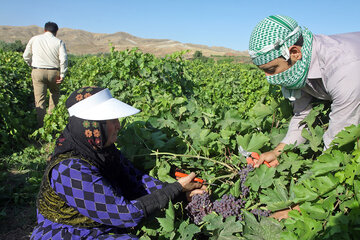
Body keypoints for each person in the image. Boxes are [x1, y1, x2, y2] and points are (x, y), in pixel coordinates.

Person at [30, 86, 205, 240]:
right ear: (93, 127)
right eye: (112, 120)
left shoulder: (105, 151)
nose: (119, 126)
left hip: (100, 226)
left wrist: (183, 192)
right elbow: (124, 214)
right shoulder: (69, 170)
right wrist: (175, 189)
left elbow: (138, 181)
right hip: (67, 232)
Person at [247, 15, 360, 167]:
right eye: (264, 72)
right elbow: (302, 116)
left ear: (294, 52)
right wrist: (278, 152)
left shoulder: (344, 68)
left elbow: (340, 134)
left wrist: (320, 174)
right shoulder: (297, 67)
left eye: (272, 70)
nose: (269, 78)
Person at [23, 21, 68, 127]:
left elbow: (25, 56)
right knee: (54, 95)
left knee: (40, 100)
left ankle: (41, 126)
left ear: (44, 30)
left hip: (38, 71)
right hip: (54, 72)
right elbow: (64, 59)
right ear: (56, 32)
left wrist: (32, 65)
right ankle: (51, 123)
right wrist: (62, 74)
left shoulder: (34, 39)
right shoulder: (59, 42)